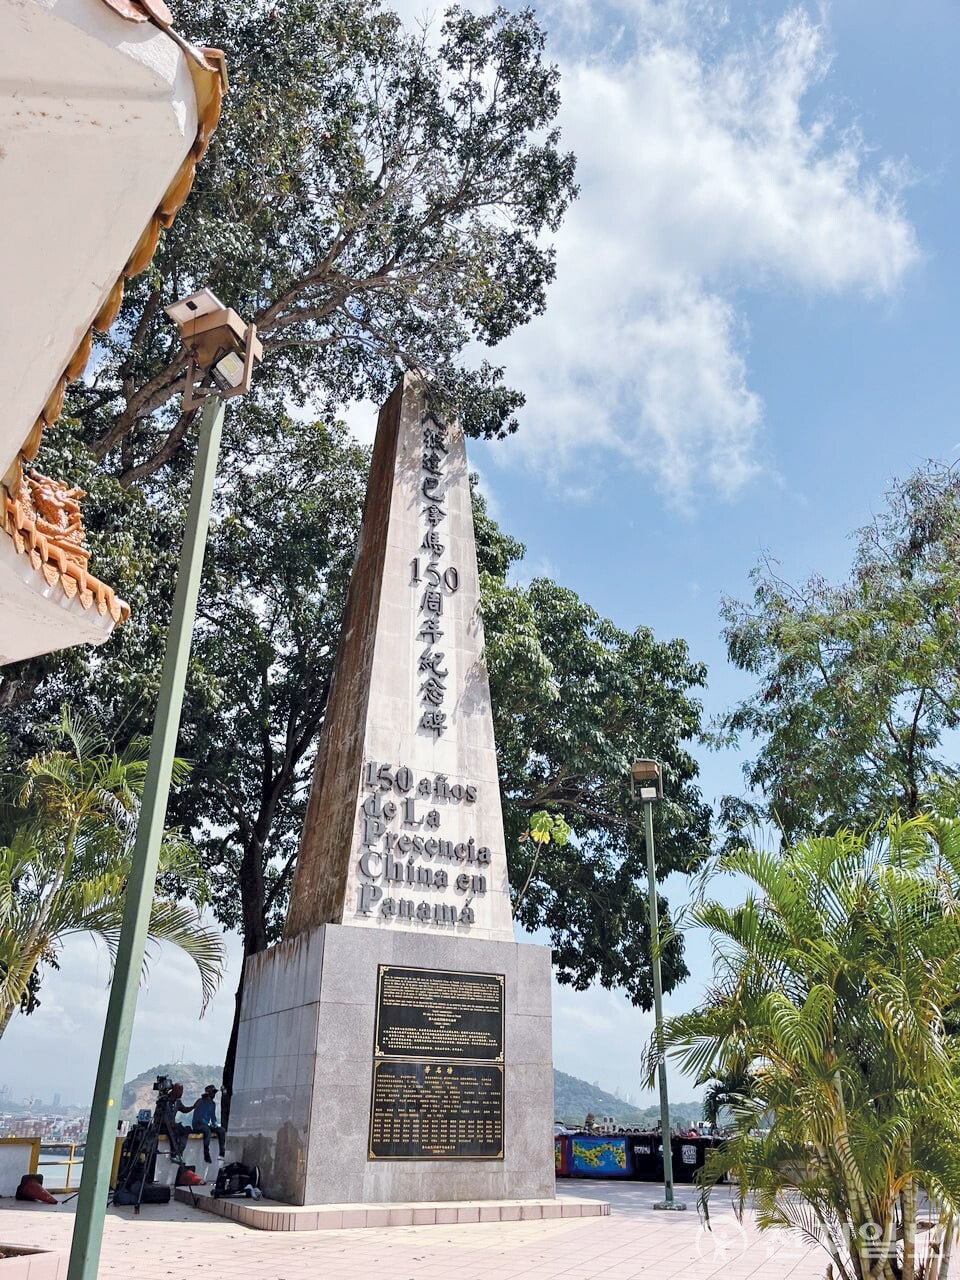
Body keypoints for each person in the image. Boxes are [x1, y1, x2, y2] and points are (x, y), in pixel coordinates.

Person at [187, 1085, 227, 1166]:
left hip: (206, 1124)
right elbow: (198, 1117)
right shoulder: (200, 1101)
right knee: (207, 1131)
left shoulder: (212, 1104)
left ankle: (222, 1153)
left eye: (214, 1093)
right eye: (213, 1093)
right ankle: (206, 1153)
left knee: (221, 1130)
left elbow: (213, 1118)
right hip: (198, 1124)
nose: (214, 1095)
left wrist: (216, 1125)